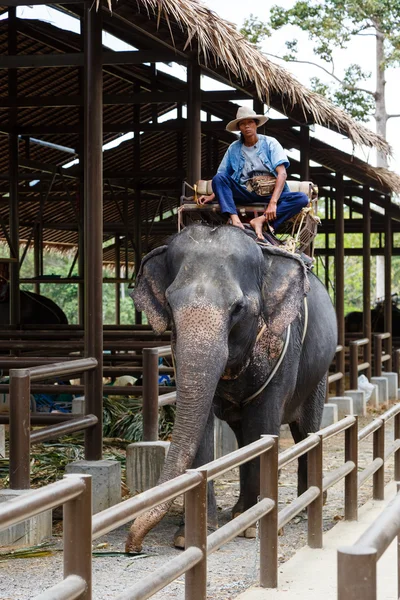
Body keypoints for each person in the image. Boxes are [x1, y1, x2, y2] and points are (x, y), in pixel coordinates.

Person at [198, 106, 309, 241]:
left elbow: (282, 174)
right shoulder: (233, 148)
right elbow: (222, 178)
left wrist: (273, 203)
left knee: (301, 199)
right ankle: (235, 219)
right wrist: (212, 196)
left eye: (250, 122)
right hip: (245, 192)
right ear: (239, 128)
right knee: (218, 178)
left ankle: (261, 221)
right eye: (243, 124)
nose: (247, 127)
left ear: (256, 124)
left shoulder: (270, 143)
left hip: (269, 194)